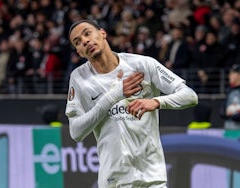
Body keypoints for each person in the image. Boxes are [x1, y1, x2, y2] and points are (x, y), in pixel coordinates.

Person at [65, 20, 198, 188]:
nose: (84, 41)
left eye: (87, 33)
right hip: (114, 181)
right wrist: (114, 95)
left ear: (102, 33)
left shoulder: (142, 64)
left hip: (152, 179)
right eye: (78, 42)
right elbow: (76, 132)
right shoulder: (79, 78)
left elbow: (190, 95)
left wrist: (156, 102)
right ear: (79, 52)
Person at [222, 64, 240, 129]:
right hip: (229, 129)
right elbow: (222, 109)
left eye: (232, 74)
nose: (229, 76)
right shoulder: (229, 91)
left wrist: (235, 115)